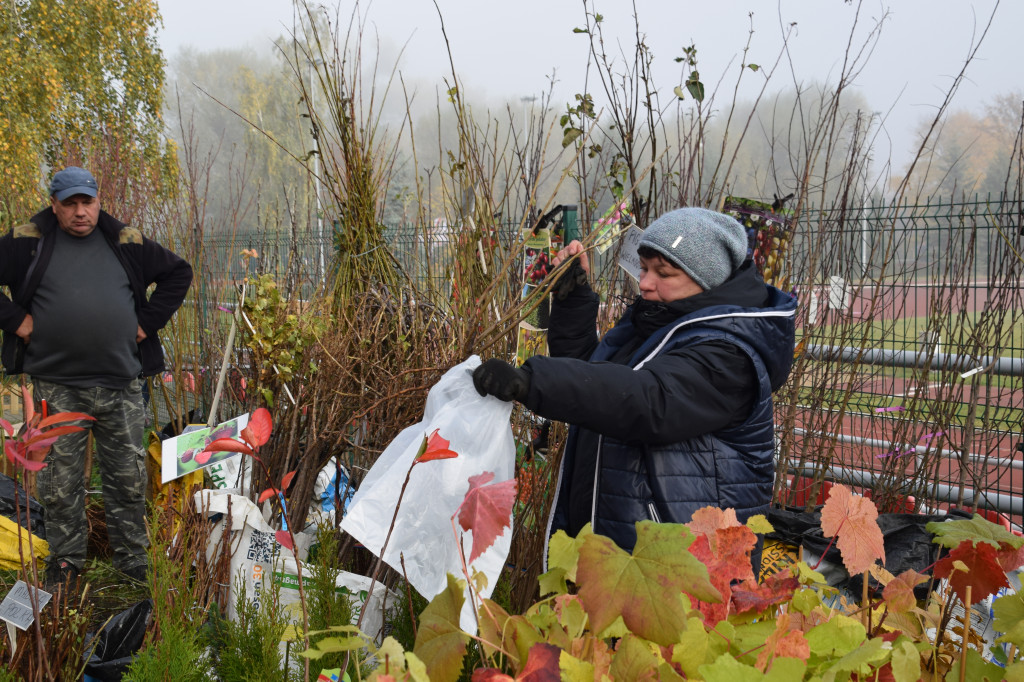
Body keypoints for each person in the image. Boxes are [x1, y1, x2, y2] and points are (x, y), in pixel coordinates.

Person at [473, 207, 797, 562]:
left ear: (708, 279)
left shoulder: (730, 354)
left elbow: (647, 400)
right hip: (622, 550)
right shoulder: (657, 322)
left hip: (685, 570)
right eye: (644, 268)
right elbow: (597, 380)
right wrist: (574, 302)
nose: (644, 282)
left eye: (664, 272)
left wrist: (532, 381)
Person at [0, 166, 193, 588]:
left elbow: (179, 273)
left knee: (126, 476)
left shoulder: (125, 240)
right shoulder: (27, 242)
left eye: (87, 201)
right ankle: (66, 562)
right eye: (70, 203)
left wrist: (146, 323)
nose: (80, 211)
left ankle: (132, 561)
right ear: (54, 204)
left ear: (97, 201)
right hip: (57, 385)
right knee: (60, 480)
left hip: (121, 383)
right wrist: (17, 322)